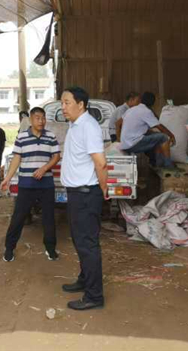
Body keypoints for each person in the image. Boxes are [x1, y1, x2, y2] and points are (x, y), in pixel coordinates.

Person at [60, 86, 109, 311]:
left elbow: (100, 162)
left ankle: (94, 296)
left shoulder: (88, 126)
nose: (63, 107)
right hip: (77, 194)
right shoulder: (75, 125)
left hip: (86, 194)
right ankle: (84, 279)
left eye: (67, 102)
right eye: (62, 103)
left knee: (88, 245)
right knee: (80, 241)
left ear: (81, 105)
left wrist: (103, 188)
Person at [1, 107, 61, 262]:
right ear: (31, 120)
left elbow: (56, 156)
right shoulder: (21, 137)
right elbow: (16, 159)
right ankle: (9, 248)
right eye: (37, 118)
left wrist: (44, 168)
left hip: (46, 185)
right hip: (26, 185)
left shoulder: (50, 136)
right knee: (18, 217)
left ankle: (50, 249)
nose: (41, 121)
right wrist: (7, 178)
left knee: (49, 218)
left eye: (43, 118)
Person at [118, 91, 176, 168]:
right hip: (133, 144)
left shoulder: (131, 109)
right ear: (153, 103)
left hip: (125, 144)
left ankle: (158, 163)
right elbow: (159, 126)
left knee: (157, 136)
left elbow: (120, 123)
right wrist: (171, 135)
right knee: (164, 137)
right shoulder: (146, 111)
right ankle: (169, 165)